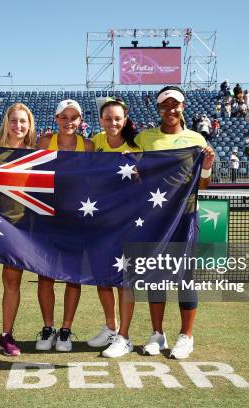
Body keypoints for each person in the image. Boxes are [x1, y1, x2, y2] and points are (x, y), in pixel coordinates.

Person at [133, 86, 215, 360]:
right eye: (165, 105)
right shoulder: (145, 138)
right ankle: (157, 334)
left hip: (186, 217)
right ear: (158, 109)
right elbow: (136, 174)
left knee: (184, 278)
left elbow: (202, 184)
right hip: (154, 219)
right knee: (155, 277)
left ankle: (186, 336)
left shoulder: (196, 139)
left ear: (183, 107)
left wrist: (206, 165)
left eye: (175, 105)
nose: (171, 110)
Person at [35, 99, 94, 352]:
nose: (69, 122)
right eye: (64, 117)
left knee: (73, 276)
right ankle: (48, 327)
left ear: (80, 121)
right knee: (45, 275)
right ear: (56, 118)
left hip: (76, 218)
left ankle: (66, 330)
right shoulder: (44, 142)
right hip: (46, 216)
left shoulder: (88, 145)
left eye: (74, 118)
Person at [88, 97, 142, 358]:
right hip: (100, 221)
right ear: (100, 120)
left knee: (124, 280)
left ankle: (125, 337)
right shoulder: (95, 143)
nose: (112, 123)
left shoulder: (137, 145)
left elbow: (145, 182)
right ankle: (111, 327)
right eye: (108, 118)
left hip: (127, 222)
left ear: (125, 120)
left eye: (117, 118)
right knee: (103, 278)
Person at [0, 103, 38, 356]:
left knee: (12, 283)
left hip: (19, 228)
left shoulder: (36, 155)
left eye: (23, 121)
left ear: (29, 125)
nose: (18, 126)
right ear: (6, 122)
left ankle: (6, 334)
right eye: (13, 120)